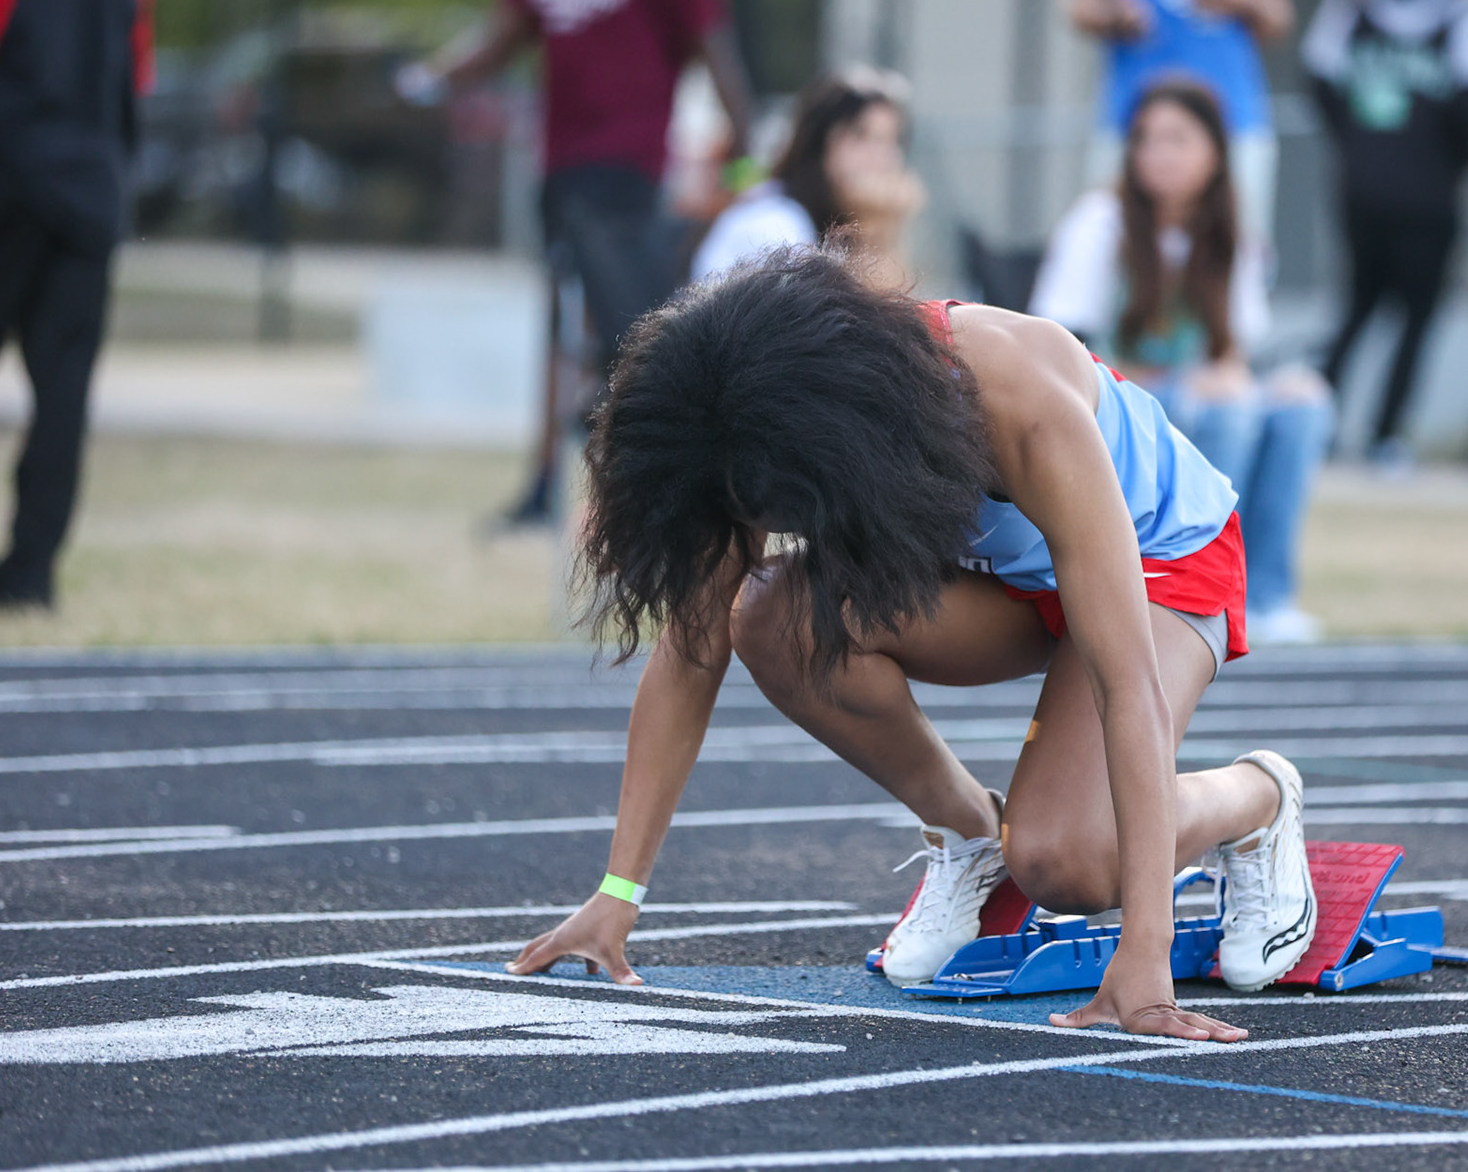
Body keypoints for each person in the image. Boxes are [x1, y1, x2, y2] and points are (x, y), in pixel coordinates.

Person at [504, 244, 1320, 1037]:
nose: (774, 529)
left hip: (1159, 569)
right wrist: (618, 892)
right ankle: (969, 831)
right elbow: (691, 651)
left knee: (1068, 864)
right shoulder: (750, 416)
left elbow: (1124, 680)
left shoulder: (1015, 396)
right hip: (1011, 583)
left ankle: (1256, 799)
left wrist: (1147, 951)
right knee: (768, 613)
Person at [401, 0, 754, 526]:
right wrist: (429, 78)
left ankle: (644, 489)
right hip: (560, 167)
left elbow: (715, 49)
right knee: (559, 326)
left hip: (627, 171)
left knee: (627, 328)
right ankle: (546, 484)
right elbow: (503, 37)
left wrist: (744, 160)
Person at [1032, 80, 1333, 645]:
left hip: (1204, 393)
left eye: (1177, 139)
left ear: (1215, 152)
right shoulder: (1102, 220)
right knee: (1227, 410)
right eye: (1146, 139)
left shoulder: (1230, 234)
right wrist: (1191, 383)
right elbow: (1058, 346)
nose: (1158, 154)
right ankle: (1206, 591)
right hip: (1117, 400)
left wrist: (1248, 382)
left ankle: (1269, 596)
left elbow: (1232, 354)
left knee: (1302, 400)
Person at [0, 0, 154, 608]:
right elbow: (134, 80)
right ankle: (32, 572)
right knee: (64, 389)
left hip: (7, 185)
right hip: (93, 195)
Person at [1303, 0, 1468, 474]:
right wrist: (1448, 167)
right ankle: (1387, 438)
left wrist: (1360, 144)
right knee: (1417, 319)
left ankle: (1314, 426)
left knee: (1356, 309)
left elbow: (1319, 77)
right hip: (1430, 197)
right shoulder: (1466, 16)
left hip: (1360, 188)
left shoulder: (1355, 5)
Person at [1060, 0, 1307, 263]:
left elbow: (1279, 18)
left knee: (1235, 262)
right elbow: (1080, 2)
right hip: (1134, 117)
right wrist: (1117, 14)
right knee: (1111, 257)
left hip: (1234, 119)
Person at [691, 66, 923, 288]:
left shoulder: (849, 220)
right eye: (862, 136)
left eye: (891, 141)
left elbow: (893, 317)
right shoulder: (775, 222)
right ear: (820, 142)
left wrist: (884, 230)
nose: (882, 158)